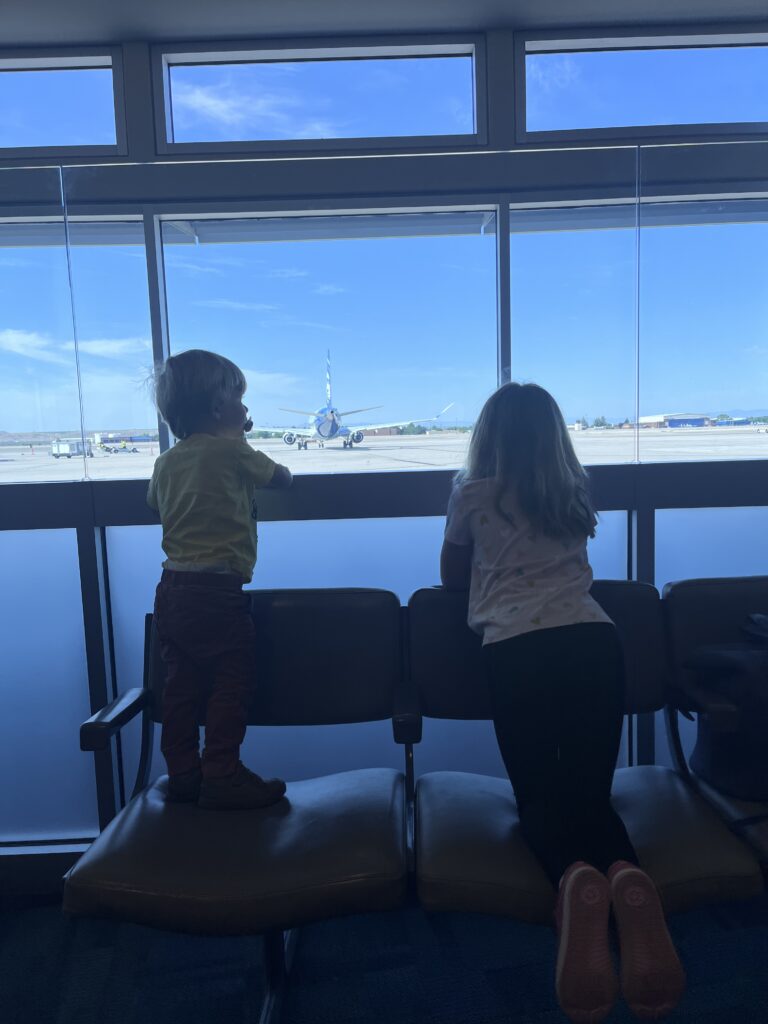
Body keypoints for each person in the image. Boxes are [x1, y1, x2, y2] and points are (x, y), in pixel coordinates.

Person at [440, 382, 685, 1024]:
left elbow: (450, 577)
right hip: (596, 646)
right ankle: (627, 878)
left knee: (540, 799)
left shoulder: (470, 495)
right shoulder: (571, 493)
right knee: (587, 795)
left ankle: (575, 881)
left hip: (518, 652)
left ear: (486, 437)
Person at [148, 349, 292, 811]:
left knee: (181, 685)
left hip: (172, 590)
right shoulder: (234, 451)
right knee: (233, 680)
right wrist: (241, 441)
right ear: (217, 410)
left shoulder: (166, 462)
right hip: (217, 592)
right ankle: (223, 771)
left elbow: (156, 503)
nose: (247, 410)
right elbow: (281, 478)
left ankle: (184, 773)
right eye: (239, 400)